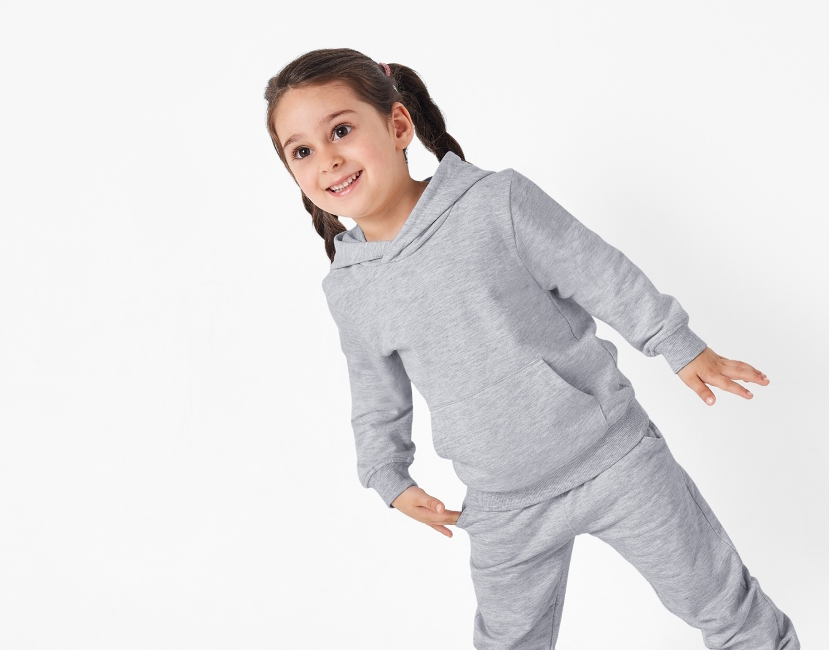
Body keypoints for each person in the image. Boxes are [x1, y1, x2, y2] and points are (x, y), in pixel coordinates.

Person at [264, 47, 800, 649]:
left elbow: (599, 272)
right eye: (302, 151)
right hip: (503, 505)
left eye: (341, 130)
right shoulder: (350, 289)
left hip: (616, 460)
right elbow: (374, 397)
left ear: (398, 125)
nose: (328, 159)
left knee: (724, 605)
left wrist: (676, 344)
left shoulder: (495, 203)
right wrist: (389, 477)